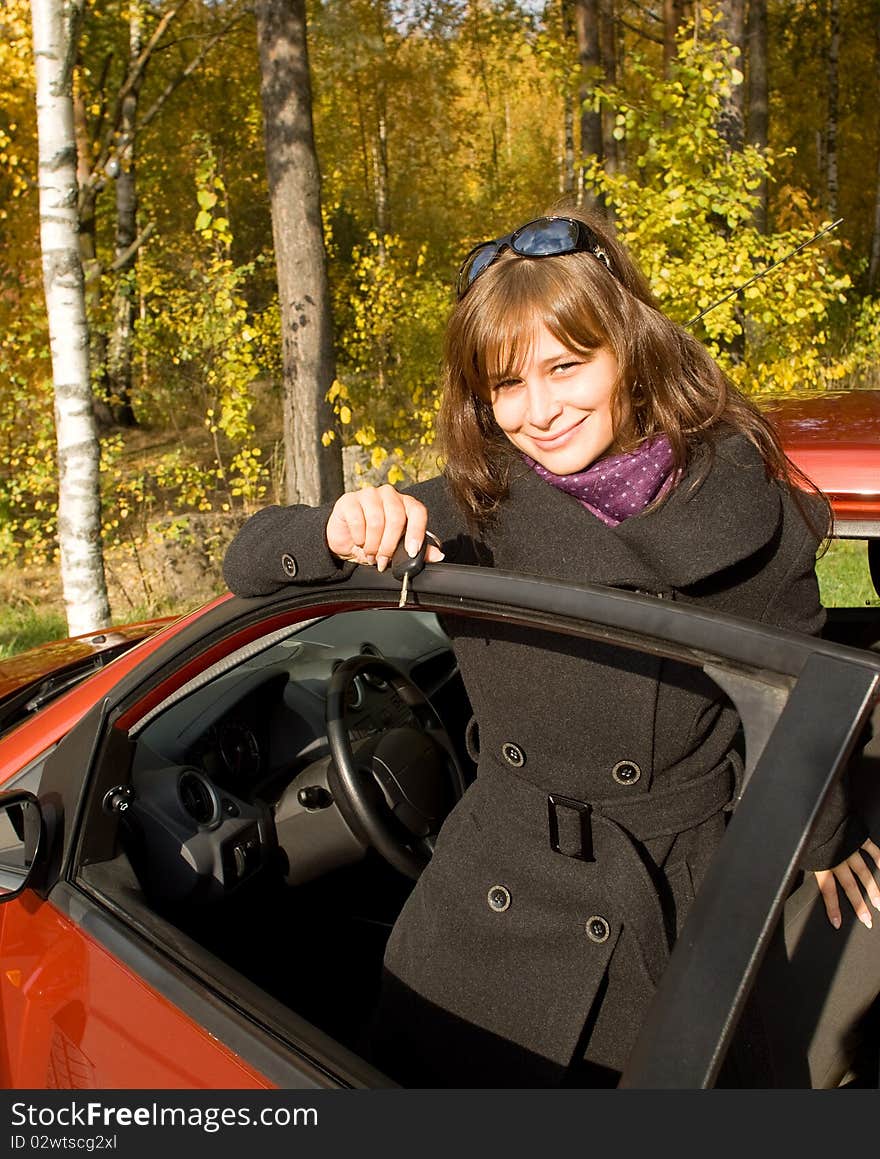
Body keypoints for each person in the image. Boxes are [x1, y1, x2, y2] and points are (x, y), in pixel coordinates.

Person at [223, 206, 880, 1087]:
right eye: (506, 385)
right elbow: (250, 561)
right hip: (489, 918)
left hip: (672, 913)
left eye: (567, 368)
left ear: (631, 353)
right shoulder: (473, 508)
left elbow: (797, 693)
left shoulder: (753, 515)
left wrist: (827, 839)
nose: (538, 413)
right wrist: (339, 523)